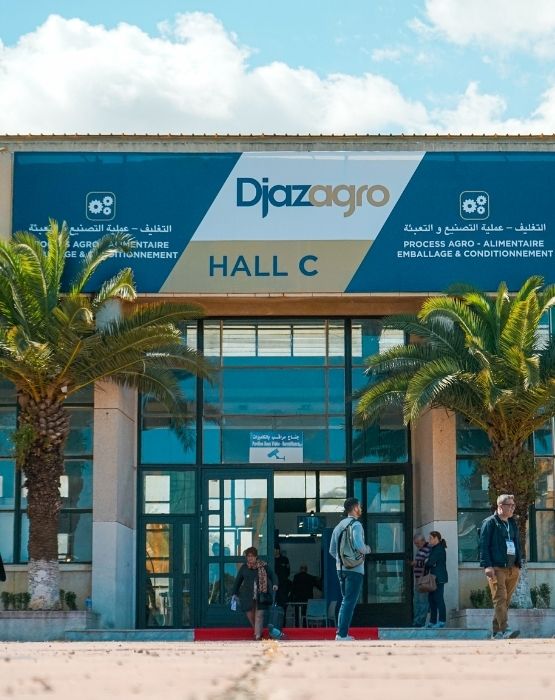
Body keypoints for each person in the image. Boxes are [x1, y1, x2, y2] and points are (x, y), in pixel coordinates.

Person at [479, 494, 521, 639]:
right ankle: (505, 629)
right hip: (496, 568)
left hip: (512, 568)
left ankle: (496, 632)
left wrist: (518, 565)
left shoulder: (512, 523)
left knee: (505, 601)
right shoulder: (489, 523)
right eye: (510, 505)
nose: (513, 508)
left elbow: (516, 543)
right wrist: (487, 566)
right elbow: (483, 546)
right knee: (500, 598)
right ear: (500, 506)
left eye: (513, 505)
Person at [329, 496, 371, 641]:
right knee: (349, 602)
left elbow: (332, 550)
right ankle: (342, 634)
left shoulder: (338, 526)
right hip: (355, 570)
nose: (360, 508)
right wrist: (368, 549)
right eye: (359, 506)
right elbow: (360, 546)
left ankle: (341, 633)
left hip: (340, 569)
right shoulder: (356, 525)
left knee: (344, 601)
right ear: (354, 508)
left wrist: (342, 561)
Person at [231, 546, 278, 640]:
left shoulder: (263, 566)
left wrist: (275, 584)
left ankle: (257, 636)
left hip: (262, 594)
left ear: (256, 556)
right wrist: (234, 593)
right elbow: (238, 581)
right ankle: (257, 631)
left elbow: (273, 575)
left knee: (259, 615)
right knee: (250, 615)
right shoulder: (244, 568)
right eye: (248, 556)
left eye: (252, 556)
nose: (250, 558)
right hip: (247, 596)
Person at [425, 531, 448, 628]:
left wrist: (428, 561)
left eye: (430, 538)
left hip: (438, 578)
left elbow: (430, 562)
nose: (429, 540)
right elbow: (430, 562)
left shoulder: (439, 549)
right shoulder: (434, 549)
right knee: (431, 599)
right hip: (433, 578)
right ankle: (432, 621)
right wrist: (429, 562)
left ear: (436, 538)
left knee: (438, 599)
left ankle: (442, 621)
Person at [411, 533, 431, 627]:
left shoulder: (428, 548)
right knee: (417, 601)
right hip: (418, 579)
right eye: (415, 544)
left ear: (423, 541)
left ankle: (420, 622)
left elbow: (428, 562)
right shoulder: (420, 550)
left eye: (418, 543)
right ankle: (416, 621)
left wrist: (417, 562)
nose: (417, 546)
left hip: (424, 579)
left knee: (423, 601)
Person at [274, 545, 291, 617]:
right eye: (274, 549)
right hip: (273, 586)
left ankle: (283, 624)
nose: (276, 551)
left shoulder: (285, 559)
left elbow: (288, 572)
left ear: (279, 550)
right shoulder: (271, 560)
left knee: (283, 606)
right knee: (273, 606)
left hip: (283, 587)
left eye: (277, 549)